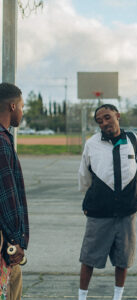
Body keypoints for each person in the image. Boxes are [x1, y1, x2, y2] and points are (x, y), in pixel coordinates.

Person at [78, 104, 137, 300]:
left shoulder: (132, 140)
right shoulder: (92, 144)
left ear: (117, 116)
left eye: (107, 117)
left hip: (126, 211)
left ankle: (118, 296)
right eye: (99, 121)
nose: (104, 123)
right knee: (89, 258)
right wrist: (93, 197)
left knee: (122, 259)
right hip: (100, 212)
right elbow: (84, 177)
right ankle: (82, 296)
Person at [0, 82, 29, 299]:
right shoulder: (2, 141)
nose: (22, 111)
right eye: (21, 106)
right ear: (12, 107)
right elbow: (6, 194)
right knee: (10, 289)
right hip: (4, 238)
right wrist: (14, 239)